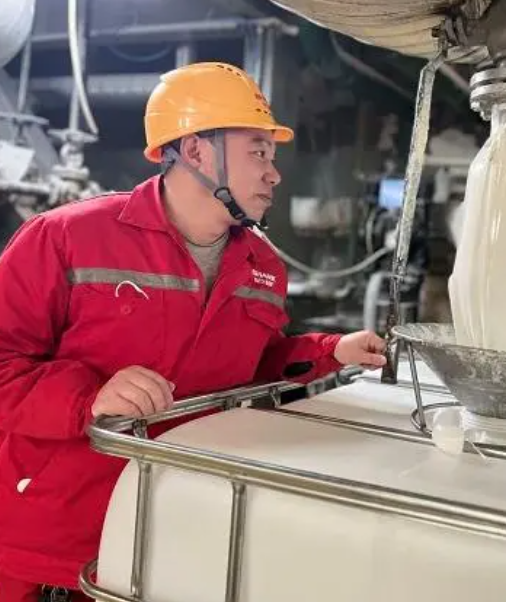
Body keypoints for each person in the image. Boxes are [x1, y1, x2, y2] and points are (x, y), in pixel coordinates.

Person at [0, 62, 387, 601]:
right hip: (51, 539)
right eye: (258, 152)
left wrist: (332, 351)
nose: (274, 174)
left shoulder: (262, 267)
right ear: (197, 150)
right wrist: (89, 399)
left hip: (172, 530)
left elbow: (253, 366)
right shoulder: (67, 238)